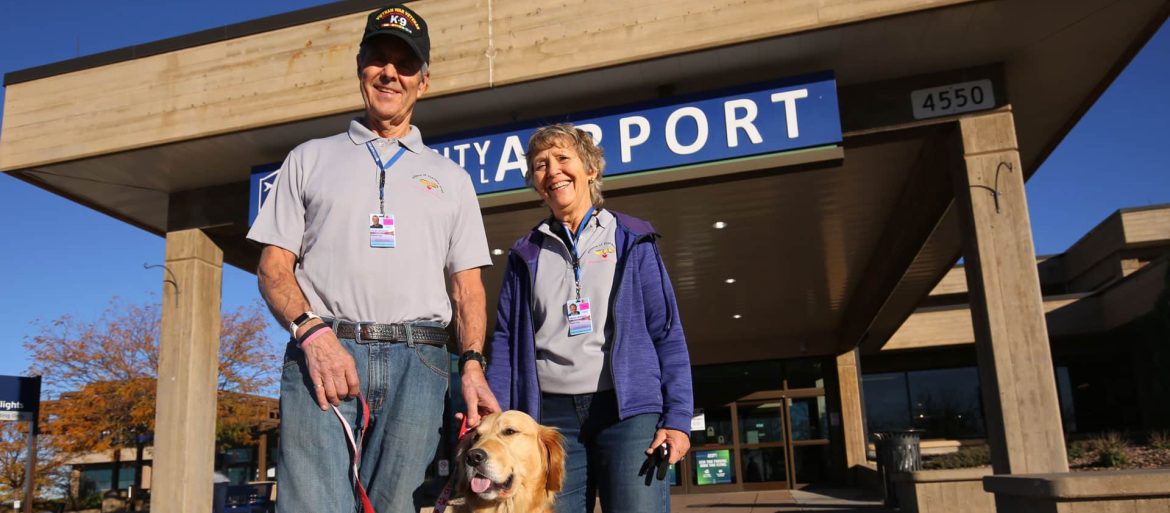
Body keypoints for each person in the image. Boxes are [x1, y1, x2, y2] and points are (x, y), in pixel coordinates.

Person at [246, 5, 500, 512]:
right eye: (378, 59)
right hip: (325, 352)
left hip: (421, 361)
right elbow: (274, 268)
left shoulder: (451, 179)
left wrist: (471, 365)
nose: (390, 73)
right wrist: (311, 334)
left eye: (405, 65)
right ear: (360, 67)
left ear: (423, 82)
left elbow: (466, 287)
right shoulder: (308, 158)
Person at [486, 124, 694, 513]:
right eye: (541, 165)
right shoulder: (524, 255)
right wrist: (496, 420)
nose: (553, 171)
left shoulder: (633, 239)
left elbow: (666, 333)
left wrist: (678, 417)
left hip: (628, 414)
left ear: (591, 169)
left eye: (563, 159)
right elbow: (505, 341)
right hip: (550, 421)